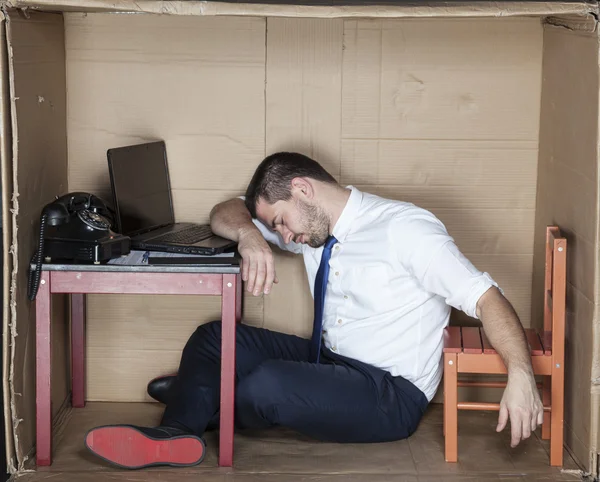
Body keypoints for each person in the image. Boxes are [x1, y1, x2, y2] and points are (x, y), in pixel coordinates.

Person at [84, 152, 544, 469]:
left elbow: (488, 299)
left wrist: (520, 376)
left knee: (269, 385)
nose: (284, 237)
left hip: (389, 394)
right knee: (214, 336)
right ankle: (179, 430)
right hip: (328, 362)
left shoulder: (407, 230)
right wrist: (249, 236)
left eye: (280, 221)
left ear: (303, 189)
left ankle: (203, 397)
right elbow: (223, 211)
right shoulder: (311, 227)